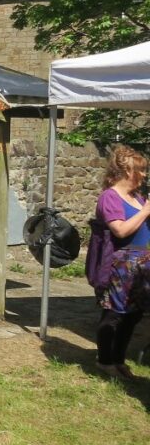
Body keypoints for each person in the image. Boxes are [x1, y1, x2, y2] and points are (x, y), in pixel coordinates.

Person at [86, 145, 150, 379]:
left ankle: (118, 360)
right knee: (114, 314)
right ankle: (104, 361)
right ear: (126, 170)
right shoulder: (109, 197)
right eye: (140, 170)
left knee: (133, 315)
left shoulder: (137, 198)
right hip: (119, 265)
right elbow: (120, 230)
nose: (144, 175)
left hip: (141, 264)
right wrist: (146, 211)